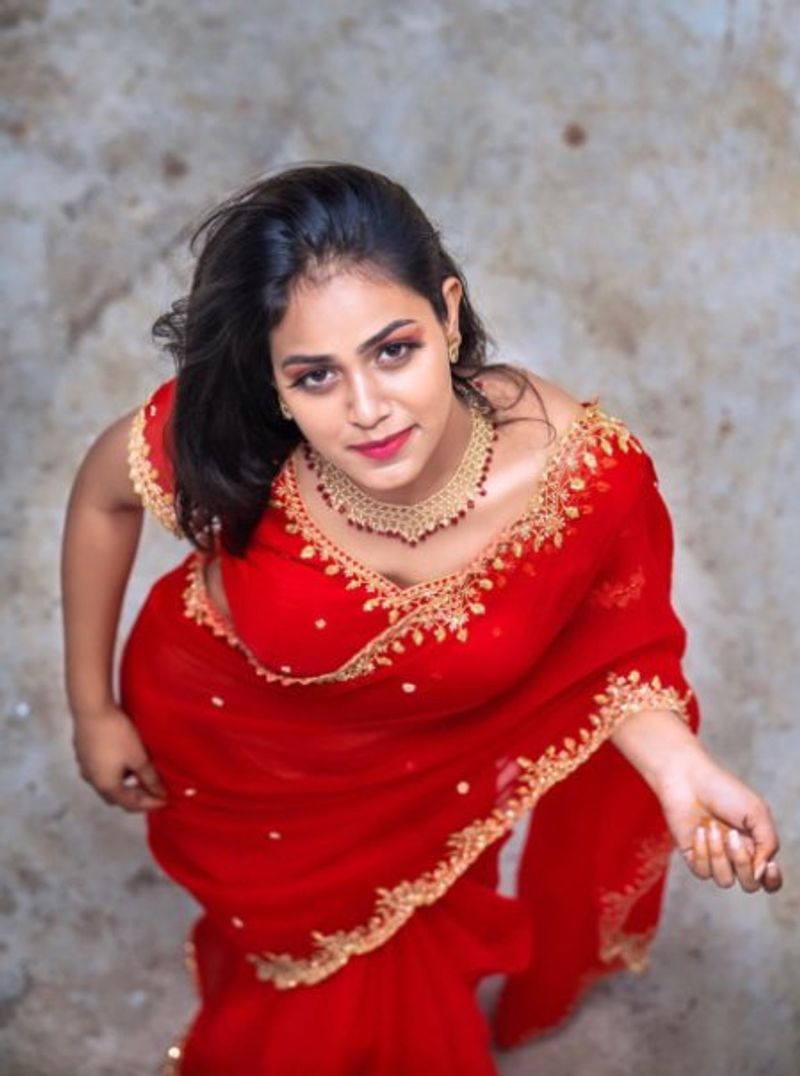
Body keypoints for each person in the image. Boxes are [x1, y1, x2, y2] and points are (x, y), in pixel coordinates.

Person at [60, 162, 782, 1076]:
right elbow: (103, 500)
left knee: (368, 987)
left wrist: (678, 766)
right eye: (314, 376)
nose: (366, 410)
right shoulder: (241, 441)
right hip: (227, 761)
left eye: (393, 350)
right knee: (293, 971)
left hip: (430, 789)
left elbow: (604, 648)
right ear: (273, 383)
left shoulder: (576, 478)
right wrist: (92, 707)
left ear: (447, 313)